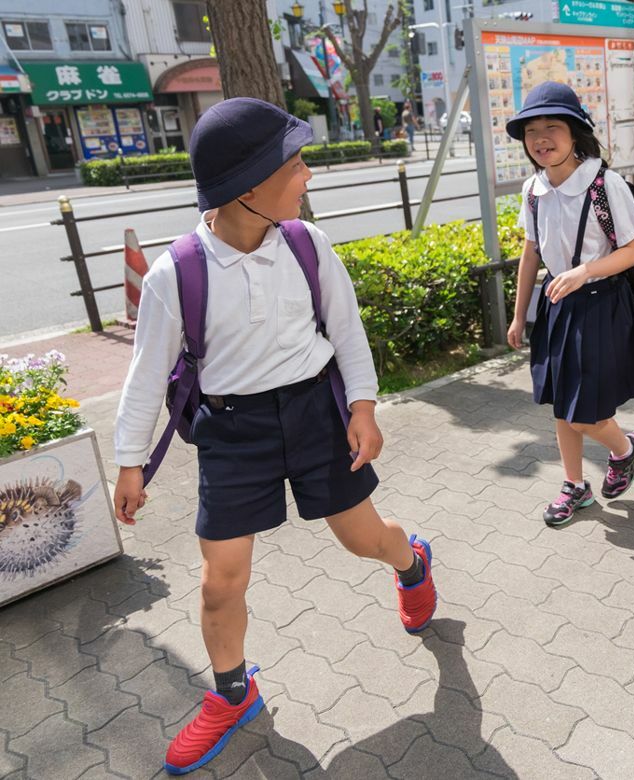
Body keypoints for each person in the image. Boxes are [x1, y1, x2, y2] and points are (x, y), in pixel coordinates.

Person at [111, 98, 438, 775]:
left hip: (317, 415)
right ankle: (233, 694)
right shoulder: (178, 273)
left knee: (363, 539)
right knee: (219, 581)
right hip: (233, 432)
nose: (309, 176)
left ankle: (412, 563)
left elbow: (346, 332)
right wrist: (129, 463)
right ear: (248, 187)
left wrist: (365, 408)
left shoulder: (304, 243)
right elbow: (145, 378)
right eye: (296, 165)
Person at [505, 81, 634, 527]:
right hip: (557, 306)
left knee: (585, 411)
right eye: (531, 131)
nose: (541, 139)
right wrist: (518, 315)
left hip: (601, 304)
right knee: (562, 405)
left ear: (576, 133)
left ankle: (625, 448)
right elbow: (531, 252)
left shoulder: (605, 184)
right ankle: (574, 485)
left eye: (552, 127)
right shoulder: (533, 190)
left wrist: (584, 272)